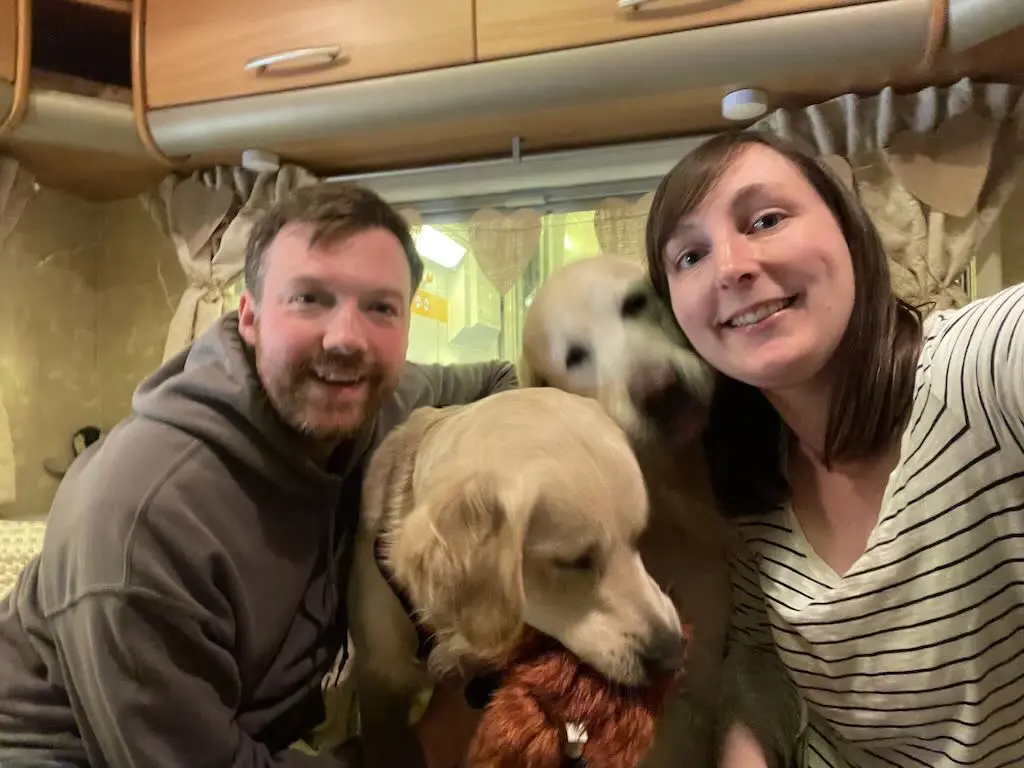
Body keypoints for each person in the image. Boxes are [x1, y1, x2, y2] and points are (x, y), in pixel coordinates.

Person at [0, 182, 515, 767]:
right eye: (309, 298)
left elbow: (501, 382)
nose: (346, 339)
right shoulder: (148, 519)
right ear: (248, 317)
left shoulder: (375, 401)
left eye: (381, 307)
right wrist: (428, 746)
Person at [645, 130, 1024, 767]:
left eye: (765, 219)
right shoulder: (744, 485)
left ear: (849, 229)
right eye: (689, 257)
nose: (732, 266)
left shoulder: (977, 370)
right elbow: (758, 656)